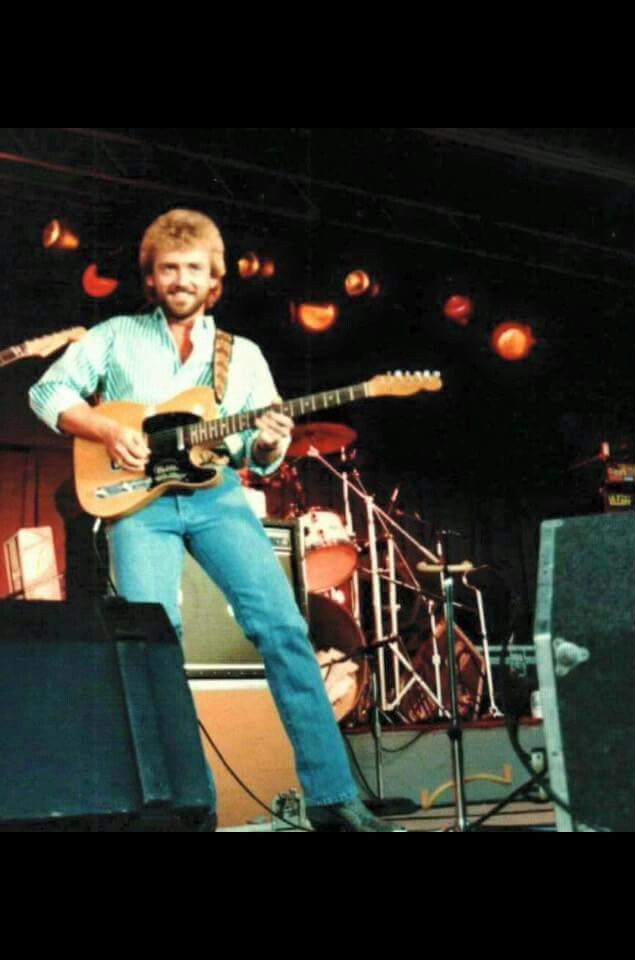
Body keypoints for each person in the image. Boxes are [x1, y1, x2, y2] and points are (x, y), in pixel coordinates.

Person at [30, 209, 402, 832]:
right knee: (156, 643)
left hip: (216, 498)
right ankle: (186, 806)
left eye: (193, 270)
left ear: (214, 282)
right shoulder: (115, 335)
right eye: (168, 269)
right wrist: (105, 428)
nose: (180, 279)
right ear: (150, 279)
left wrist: (265, 443)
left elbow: (260, 451)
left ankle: (334, 798)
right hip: (136, 503)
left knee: (284, 627)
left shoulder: (243, 355)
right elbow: (47, 394)